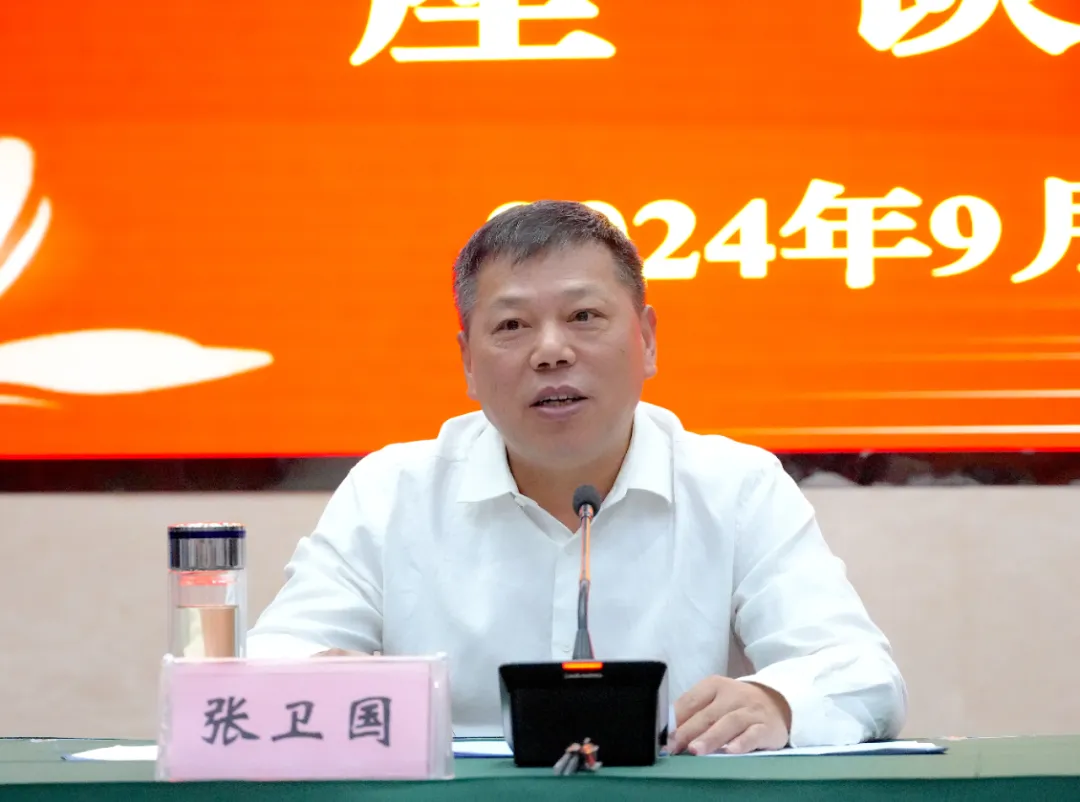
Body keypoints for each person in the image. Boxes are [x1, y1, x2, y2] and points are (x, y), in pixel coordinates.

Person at [247, 200, 907, 755]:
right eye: (512, 325)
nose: (551, 351)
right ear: (468, 362)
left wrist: (777, 703)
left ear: (647, 338)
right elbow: (267, 668)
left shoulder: (736, 487)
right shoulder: (391, 493)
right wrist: (317, 681)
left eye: (584, 316)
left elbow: (863, 675)